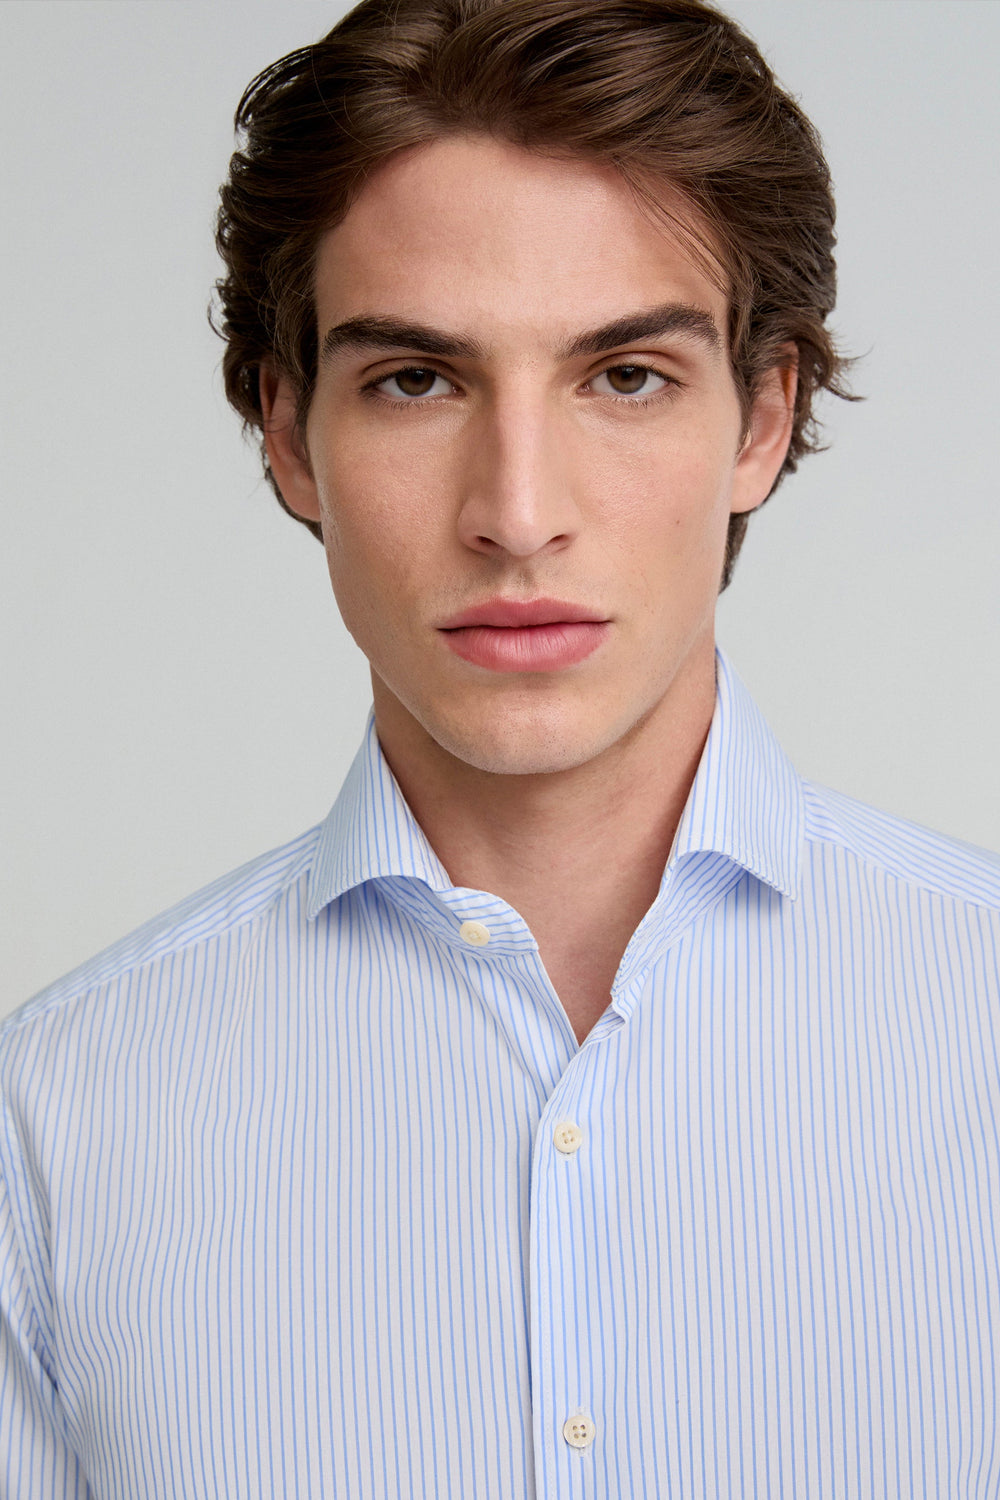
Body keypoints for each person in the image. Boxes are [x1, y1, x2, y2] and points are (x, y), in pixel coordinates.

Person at [2, 0, 998, 1493]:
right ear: (289, 430)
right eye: (417, 380)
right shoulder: (55, 1118)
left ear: (760, 420)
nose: (518, 513)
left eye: (626, 375)